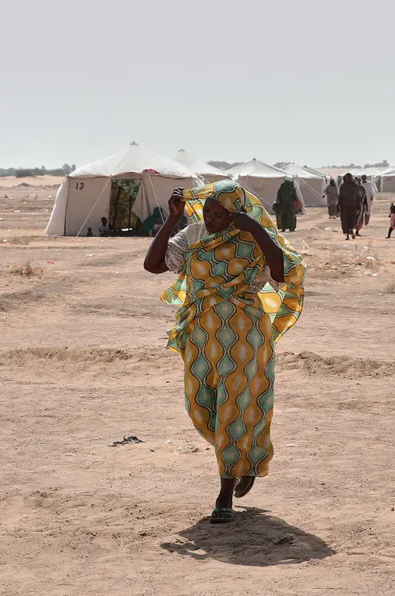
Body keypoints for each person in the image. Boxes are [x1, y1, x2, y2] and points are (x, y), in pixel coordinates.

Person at [143, 180, 306, 524]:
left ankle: (224, 494)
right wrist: (172, 219)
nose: (212, 218)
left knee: (233, 409)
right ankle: (243, 457)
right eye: (208, 211)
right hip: (200, 335)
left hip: (245, 338)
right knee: (200, 407)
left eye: (220, 214)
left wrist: (255, 230)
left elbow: (283, 274)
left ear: (236, 213)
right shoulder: (194, 235)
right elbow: (153, 264)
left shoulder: (254, 238)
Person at [338, 173, 362, 240]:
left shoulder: (343, 186)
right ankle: (349, 232)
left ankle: (348, 234)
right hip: (350, 207)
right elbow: (358, 198)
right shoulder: (355, 186)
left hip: (346, 207)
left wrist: (339, 206)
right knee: (351, 220)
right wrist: (358, 207)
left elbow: (340, 197)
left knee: (346, 221)